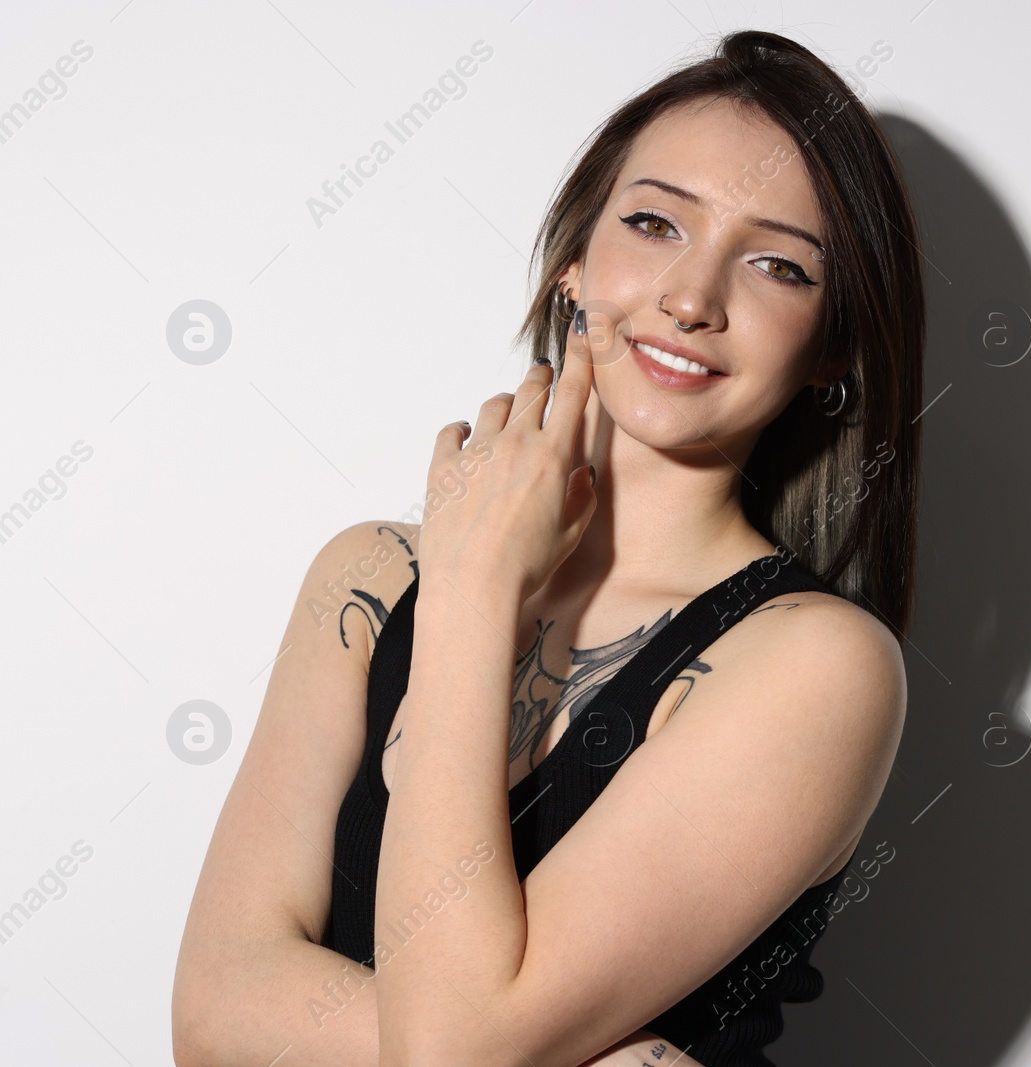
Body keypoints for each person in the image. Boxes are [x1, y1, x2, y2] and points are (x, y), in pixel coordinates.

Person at [173, 29, 924, 1067]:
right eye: (654, 222)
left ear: (832, 342)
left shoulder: (818, 666)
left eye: (776, 265)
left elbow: (452, 1052)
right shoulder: (366, 577)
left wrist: (476, 589)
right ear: (575, 260)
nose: (692, 296)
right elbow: (212, 1013)